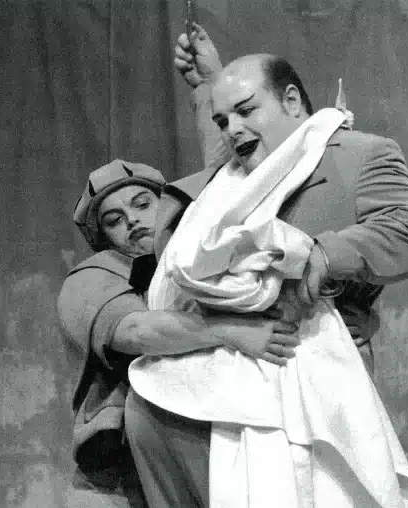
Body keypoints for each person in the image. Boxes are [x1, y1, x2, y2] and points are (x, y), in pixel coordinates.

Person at [123, 26, 408, 507]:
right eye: (223, 120)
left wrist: (325, 253)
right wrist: (208, 83)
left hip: (305, 392)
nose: (232, 129)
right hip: (202, 392)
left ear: (293, 101)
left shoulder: (356, 155)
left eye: (246, 110)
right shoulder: (232, 176)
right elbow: (228, 170)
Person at [57, 159, 380, 507]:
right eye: (114, 220)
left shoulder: (203, 254)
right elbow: (135, 332)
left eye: (142, 204)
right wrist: (232, 331)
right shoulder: (92, 277)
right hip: (126, 472)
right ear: (103, 237)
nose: (132, 220)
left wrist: (355, 320)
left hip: (226, 433)